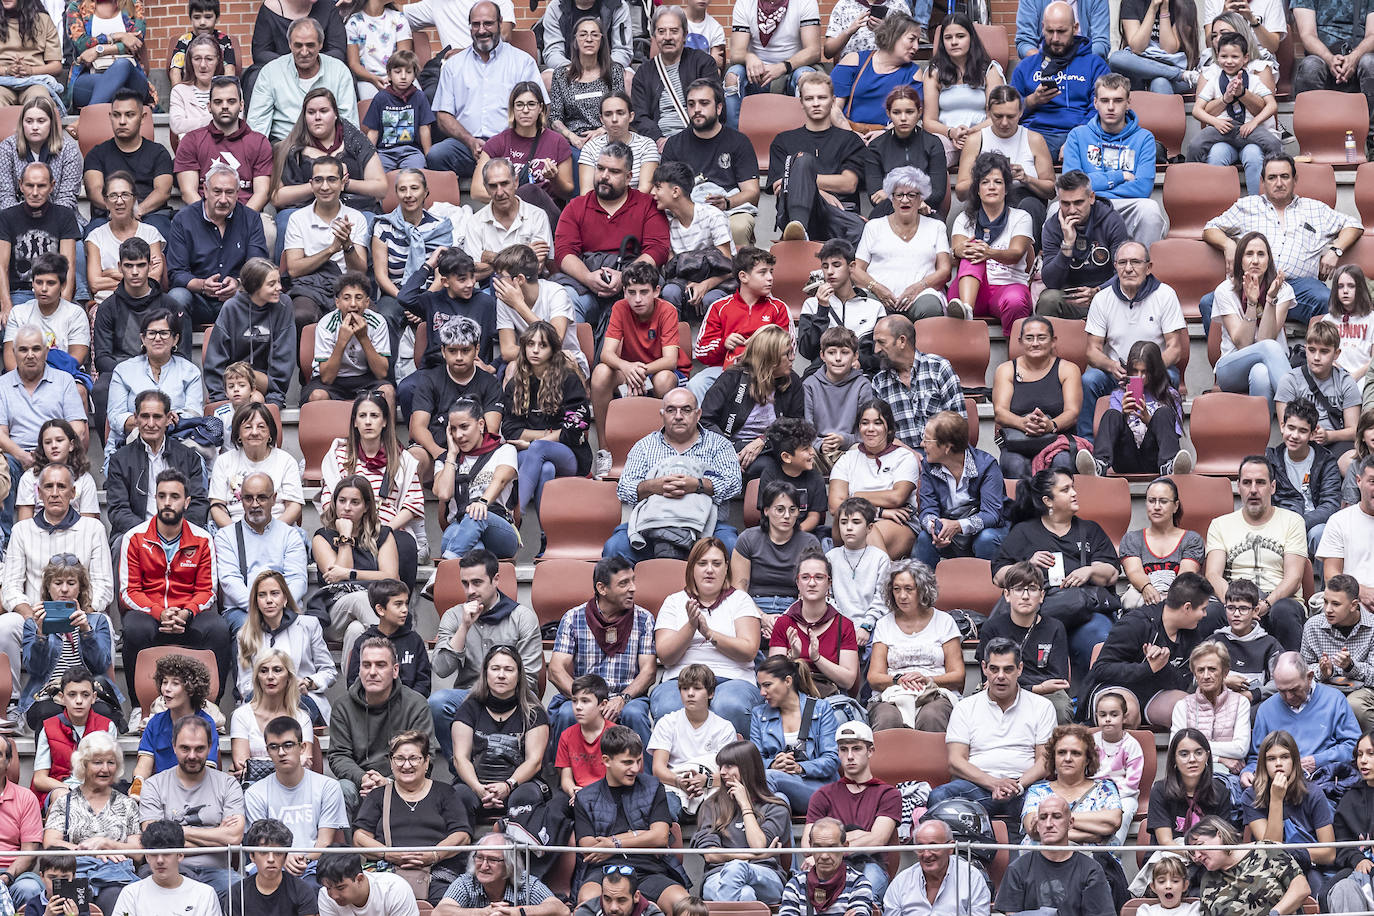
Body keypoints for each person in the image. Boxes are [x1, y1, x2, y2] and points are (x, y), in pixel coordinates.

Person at [1202, 155, 1363, 325]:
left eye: (1284, 177)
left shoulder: (1315, 208)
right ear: (1263, 181)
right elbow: (1210, 229)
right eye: (1272, 178)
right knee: (1209, 303)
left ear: (1295, 179)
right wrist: (1228, 244)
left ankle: (1316, 350)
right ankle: (1233, 351)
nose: (1279, 183)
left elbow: (1354, 225)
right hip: (1254, 284)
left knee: (1325, 299)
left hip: (1299, 288)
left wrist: (1335, 250)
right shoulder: (1247, 206)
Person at [993, 469, 1121, 673]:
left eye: (1073, 487)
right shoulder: (1024, 532)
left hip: (1084, 614)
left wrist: (1088, 571)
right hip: (1039, 613)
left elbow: (1111, 573)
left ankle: (1093, 697)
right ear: (1048, 501)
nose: (1074, 493)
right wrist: (1027, 565)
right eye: (1065, 489)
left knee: (1100, 635)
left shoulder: (1089, 530)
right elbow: (999, 576)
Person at [118, 469, 231, 696]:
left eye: (175, 497)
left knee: (219, 629)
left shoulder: (202, 539)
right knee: (133, 629)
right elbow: (129, 591)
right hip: (151, 615)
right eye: (162, 496)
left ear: (187, 502)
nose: (167, 503)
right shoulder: (135, 537)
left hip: (189, 615)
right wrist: (160, 612)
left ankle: (211, 705)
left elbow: (207, 590)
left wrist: (187, 612)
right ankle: (139, 707)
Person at [0, 465, 110, 693]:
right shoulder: (22, 530)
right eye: (48, 487)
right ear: (38, 493)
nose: (54, 492)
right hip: (33, 615)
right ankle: (12, 700)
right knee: (5, 626)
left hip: (80, 611)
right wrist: (32, 617)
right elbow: (10, 586)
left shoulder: (93, 528)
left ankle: (98, 695)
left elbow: (104, 585)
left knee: (104, 623)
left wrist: (83, 613)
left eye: (61, 486)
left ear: (73, 492)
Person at [603, 387, 743, 562]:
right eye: (671, 410)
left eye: (686, 410)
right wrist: (653, 486)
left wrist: (698, 485)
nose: (678, 416)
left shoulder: (719, 445)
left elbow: (734, 483)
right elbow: (624, 488)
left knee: (730, 545)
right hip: (651, 524)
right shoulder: (644, 446)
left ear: (698, 414)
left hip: (706, 526)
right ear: (662, 415)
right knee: (615, 547)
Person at [452, 646, 567, 855]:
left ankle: (519, 862)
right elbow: (460, 758)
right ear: (486, 672)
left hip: (519, 783)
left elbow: (534, 761)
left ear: (519, 675)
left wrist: (508, 785)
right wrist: (478, 788)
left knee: (526, 796)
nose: (502, 675)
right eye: (495, 669)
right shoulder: (469, 708)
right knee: (458, 795)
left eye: (509, 669)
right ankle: (460, 861)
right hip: (476, 783)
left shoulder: (533, 712)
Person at [926, 638, 1055, 820]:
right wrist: (994, 784)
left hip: (1025, 786)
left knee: (1050, 803)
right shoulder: (965, 707)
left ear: (1020, 669)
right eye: (994, 669)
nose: (1000, 676)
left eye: (1008, 669)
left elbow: (1045, 762)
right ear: (984, 667)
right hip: (977, 785)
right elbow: (955, 761)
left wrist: (1017, 786)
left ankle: (1028, 849)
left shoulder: (1042, 706)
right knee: (939, 797)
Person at [651, 537, 762, 736]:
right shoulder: (674, 602)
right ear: (692, 568)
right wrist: (691, 627)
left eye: (716, 564)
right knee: (669, 706)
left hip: (732, 678)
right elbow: (666, 655)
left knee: (730, 705)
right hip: (681, 679)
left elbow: (748, 651)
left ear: (726, 568)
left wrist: (709, 634)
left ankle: (735, 765)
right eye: (702, 563)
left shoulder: (740, 600)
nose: (709, 570)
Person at [572, 725, 690, 911]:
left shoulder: (653, 787)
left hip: (648, 869)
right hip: (604, 872)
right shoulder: (585, 797)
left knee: (683, 903)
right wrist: (640, 836)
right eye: (627, 762)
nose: (635, 768)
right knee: (588, 900)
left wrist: (614, 843)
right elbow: (590, 850)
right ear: (606, 760)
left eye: (638, 761)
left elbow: (660, 837)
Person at [553, 142, 670, 329]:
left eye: (614, 172)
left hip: (633, 281)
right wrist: (588, 278)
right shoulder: (576, 206)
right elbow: (563, 252)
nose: (604, 177)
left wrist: (625, 276)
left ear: (628, 177)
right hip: (587, 282)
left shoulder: (647, 205)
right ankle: (574, 358)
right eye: (600, 169)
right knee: (566, 297)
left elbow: (658, 250)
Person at [1078, 572, 1212, 727]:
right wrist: (1147, 668)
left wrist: (1162, 666)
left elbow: (1183, 683)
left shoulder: (1192, 634)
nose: (1205, 614)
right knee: (1127, 712)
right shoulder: (1136, 623)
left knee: (1189, 708)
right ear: (1187, 607)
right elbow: (1101, 669)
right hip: (1114, 687)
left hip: (1153, 694)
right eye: (1203, 609)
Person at [1204, 456, 1310, 651]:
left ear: (1273, 487)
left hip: (1278, 600)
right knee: (1209, 612)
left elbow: (1294, 578)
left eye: (1260, 482)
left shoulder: (1292, 521)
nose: (1253, 489)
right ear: (1238, 487)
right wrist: (1236, 605)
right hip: (1234, 598)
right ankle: (1206, 676)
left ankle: (1290, 675)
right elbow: (1212, 574)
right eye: (1247, 482)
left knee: (1284, 611)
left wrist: (1265, 604)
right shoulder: (1220, 524)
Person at [548, 556, 655, 747]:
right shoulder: (574, 618)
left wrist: (623, 698)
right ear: (602, 588)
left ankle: (646, 777)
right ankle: (559, 776)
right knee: (566, 713)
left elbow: (648, 671)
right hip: (585, 695)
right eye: (624, 583)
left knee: (634, 715)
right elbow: (556, 670)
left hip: (627, 698)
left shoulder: (643, 618)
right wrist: (586, 700)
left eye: (633, 580)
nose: (633, 588)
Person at [353, 730, 471, 904]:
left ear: (426, 762)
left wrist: (433, 855)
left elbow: (462, 835)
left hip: (438, 872)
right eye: (399, 758)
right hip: (387, 872)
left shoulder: (445, 793)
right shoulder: (378, 795)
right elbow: (359, 838)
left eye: (414, 758)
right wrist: (390, 855)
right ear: (391, 763)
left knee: (446, 904)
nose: (406, 765)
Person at [427, 2, 542, 180]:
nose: (481, 30)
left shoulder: (522, 62)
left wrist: (505, 142)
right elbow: (443, 115)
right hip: (467, 147)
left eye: (488, 23)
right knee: (436, 155)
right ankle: (450, 207)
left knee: (532, 161)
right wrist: (469, 141)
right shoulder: (454, 66)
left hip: (510, 146)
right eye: (475, 24)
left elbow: (540, 108)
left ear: (500, 23)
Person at [589, 261, 687, 467]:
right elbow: (607, 354)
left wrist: (638, 371)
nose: (638, 299)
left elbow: (670, 361)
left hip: (658, 369)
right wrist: (627, 368)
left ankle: (664, 449)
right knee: (600, 373)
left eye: (644, 292)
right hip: (630, 368)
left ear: (657, 291)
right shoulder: (620, 307)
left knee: (664, 379)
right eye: (631, 292)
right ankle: (604, 450)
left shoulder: (667, 310)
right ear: (624, 292)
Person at [327, 637, 435, 817]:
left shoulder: (416, 704)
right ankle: (348, 846)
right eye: (366, 665)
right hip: (359, 784)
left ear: (395, 670)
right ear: (359, 669)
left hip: (403, 780)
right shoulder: (342, 706)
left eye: (380, 665)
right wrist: (363, 779)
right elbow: (339, 755)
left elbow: (425, 756)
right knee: (340, 790)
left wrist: (389, 782)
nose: (372, 672)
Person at [137, 716, 243, 895]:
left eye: (200, 748)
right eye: (185, 748)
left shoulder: (228, 784)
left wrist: (174, 832)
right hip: (169, 870)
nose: (192, 756)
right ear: (174, 746)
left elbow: (233, 837)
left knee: (241, 890)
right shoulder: (154, 785)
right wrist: (217, 835)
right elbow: (154, 838)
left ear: (210, 747)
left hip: (218, 873)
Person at [40, 731, 139, 915]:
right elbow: (51, 843)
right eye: (97, 762)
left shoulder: (127, 804)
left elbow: (139, 851)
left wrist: (107, 844)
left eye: (110, 762)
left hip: (115, 879)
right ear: (83, 765)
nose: (105, 768)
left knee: (116, 897)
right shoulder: (65, 802)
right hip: (74, 877)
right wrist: (91, 851)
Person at [1062, 75, 1168, 243]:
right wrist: (1119, 176)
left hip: (1125, 205)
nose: (1111, 107)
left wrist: (1091, 187)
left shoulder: (1144, 138)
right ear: (1095, 103)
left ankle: (1144, 268)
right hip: (1088, 205)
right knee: (1055, 210)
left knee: (1150, 209)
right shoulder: (1077, 135)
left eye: (1118, 100)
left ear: (1128, 103)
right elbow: (1071, 185)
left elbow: (1143, 188)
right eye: (1105, 100)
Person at [660, 78, 762, 252]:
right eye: (691, 104)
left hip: (729, 210)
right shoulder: (674, 144)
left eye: (704, 103)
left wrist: (727, 202)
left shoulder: (739, 142)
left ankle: (737, 275)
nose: (697, 109)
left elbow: (752, 192)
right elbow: (665, 191)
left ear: (719, 107)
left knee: (738, 226)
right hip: (687, 211)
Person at [502, 321, 593, 515]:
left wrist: (535, 441)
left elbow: (573, 429)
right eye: (530, 344)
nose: (535, 350)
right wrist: (545, 437)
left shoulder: (568, 380)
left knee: (538, 448)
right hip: (528, 454)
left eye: (542, 345)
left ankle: (513, 515)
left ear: (553, 350)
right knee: (546, 470)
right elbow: (510, 430)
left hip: (569, 454)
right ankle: (547, 537)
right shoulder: (516, 384)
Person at [767, 73, 866, 247]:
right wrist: (818, 193)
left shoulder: (851, 140)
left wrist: (802, 182)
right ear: (801, 103)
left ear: (833, 100)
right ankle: (800, 229)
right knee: (803, 160)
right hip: (793, 214)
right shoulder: (783, 141)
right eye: (809, 98)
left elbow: (848, 184)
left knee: (859, 227)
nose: (816, 103)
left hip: (838, 214)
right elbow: (778, 187)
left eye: (822, 97)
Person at [166, 163, 270, 328]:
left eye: (229, 193)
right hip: (197, 298)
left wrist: (238, 283)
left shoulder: (250, 219)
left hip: (237, 297)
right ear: (205, 190)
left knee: (263, 295)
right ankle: (181, 354)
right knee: (176, 297)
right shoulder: (183, 220)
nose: (223, 200)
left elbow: (258, 266)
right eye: (217, 192)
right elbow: (176, 273)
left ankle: (247, 353)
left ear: (238, 193)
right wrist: (202, 285)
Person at [804, 722, 901, 898]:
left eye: (856, 749)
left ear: (870, 751)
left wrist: (830, 845)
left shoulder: (888, 793)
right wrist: (858, 835)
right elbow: (807, 844)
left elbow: (877, 840)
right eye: (843, 749)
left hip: (870, 865)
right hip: (828, 867)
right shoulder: (823, 795)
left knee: (867, 883)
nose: (849, 756)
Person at [104, 389, 210, 550]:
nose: (151, 424)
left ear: (168, 419)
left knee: (203, 541)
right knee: (120, 545)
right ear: (136, 418)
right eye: (145, 416)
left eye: (157, 417)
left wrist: (174, 533)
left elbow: (198, 504)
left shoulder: (188, 457)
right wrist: (150, 533)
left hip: (180, 532)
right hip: (136, 533)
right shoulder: (120, 459)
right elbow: (118, 509)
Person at [866, 559, 964, 732]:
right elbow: (874, 677)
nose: (902, 596)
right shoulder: (884, 624)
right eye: (896, 589)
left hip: (935, 692)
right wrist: (898, 679)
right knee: (886, 718)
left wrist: (928, 680)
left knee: (932, 716)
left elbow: (958, 676)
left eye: (909, 589)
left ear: (923, 590)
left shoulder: (944, 622)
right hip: (893, 694)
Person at [690, 740, 791, 903]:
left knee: (736, 868)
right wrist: (753, 855)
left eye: (729, 766)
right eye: (721, 766)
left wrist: (745, 805)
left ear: (747, 768)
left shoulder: (776, 807)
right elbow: (710, 854)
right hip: (717, 876)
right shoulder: (712, 805)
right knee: (744, 894)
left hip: (764, 875)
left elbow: (758, 844)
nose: (722, 772)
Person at [1243, 651, 1361, 788]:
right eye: (1282, 691)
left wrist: (1318, 760)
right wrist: (1247, 772)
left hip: (1324, 782)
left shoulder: (1334, 700)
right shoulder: (1266, 709)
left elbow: (1354, 747)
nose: (1288, 697)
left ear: (1309, 677)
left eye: (1294, 690)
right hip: (1279, 785)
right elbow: (1257, 757)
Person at [311, 475, 401, 653]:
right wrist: (345, 536)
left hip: (372, 609)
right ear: (334, 503)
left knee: (356, 631)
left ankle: (356, 681)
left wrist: (351, 574)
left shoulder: (382, 535)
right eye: (342, 501)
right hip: (335, 614)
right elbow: (338, 581)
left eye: (354, 502)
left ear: (366, 506)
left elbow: (391, 577)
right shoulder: (322, 537)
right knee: (359, 598)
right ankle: (393, 653)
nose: (346, 508)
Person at [1241, 729, 1338, 894]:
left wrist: (1294, 852)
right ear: (1263, 764)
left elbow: (1329, 853)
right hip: (1269, 870)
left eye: (1285, 757)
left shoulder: (1313, 793)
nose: (1278, 763)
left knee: (1316, 888)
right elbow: (1272, 849)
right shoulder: (1251, 796)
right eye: (1271, 759)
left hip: (1310, 867)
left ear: (1294, 760)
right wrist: (1276, 799)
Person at [1010, 2, 1112, 157]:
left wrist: (1077, 138)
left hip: (1081, 135)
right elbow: (1007, 112)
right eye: (1050, 31)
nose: (1055, 38)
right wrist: (1031, 101)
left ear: (1075, 28)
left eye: (1061, 31)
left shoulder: (1094, 65)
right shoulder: (1026, 67)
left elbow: (1100, 110)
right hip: (1035, 136)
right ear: (1043, 27)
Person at [688, 246, 790, 400]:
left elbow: (789, 351)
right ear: (743, 276)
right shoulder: (719, 307)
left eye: (771, 272)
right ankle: (706, 425)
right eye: (763, 272)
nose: (770, 277)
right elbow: (702, 352)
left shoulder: (779, 308)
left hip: (766, 372)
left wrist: (760, 347)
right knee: (697, 384)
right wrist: (724, 344)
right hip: (725, 370)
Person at [1079, 339, 1193, 476]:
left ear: (1155, 370)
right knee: (1112, 415)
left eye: (1145, 372)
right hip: (1126, 458)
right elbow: (1117, 432)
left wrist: (1149, 420)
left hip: (1155, 459)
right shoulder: (1119, 395)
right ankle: (1099, 464)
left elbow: (1173, 436)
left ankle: (1169, 465)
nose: (1140, 377)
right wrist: (1124, 415)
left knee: (1164, 413)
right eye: (1135, 371)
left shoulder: (1170, 396)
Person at [978, 561, 1074, 723]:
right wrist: (1036, 687)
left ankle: (1058, 748)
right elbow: (989, 676)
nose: (1025, 595)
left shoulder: (1055, 627)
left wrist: (1036, 689)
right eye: (1018, 589)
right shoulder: (992, 627)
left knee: (1060, 708)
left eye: (1032, 589)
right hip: (1001, 689)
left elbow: (1058, 678)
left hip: (1048, 694)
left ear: (1042, 595)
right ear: (1007, 595)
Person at [1187, 32, 1282, 195]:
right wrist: (1215, 121)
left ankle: (1271, 192)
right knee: (1194, 146)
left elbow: (1272, 105)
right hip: (1223, 128)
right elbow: (1197, 110)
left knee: (1273, 144)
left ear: (1245, 58)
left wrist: (1254, 122)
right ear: (1217, 56)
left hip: (1248, 129)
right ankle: (1191, 188)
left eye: (1235, 56)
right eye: (1224, 56)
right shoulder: (1214, 81)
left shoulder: (1253, 80)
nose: (1229, 61)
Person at [949, 152, 1034, 332]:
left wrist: (989, 253)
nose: (992, 187)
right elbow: (956, 253)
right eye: (985, 182)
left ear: (1006, 188)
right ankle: (966, 311)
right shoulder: (964, 218)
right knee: (971, 250)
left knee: (1015, 301)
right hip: (970, 291)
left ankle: (1017, 353)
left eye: (998, 182)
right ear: (978, 190)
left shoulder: (1021, 217)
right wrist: (958, 251)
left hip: (1008, 287)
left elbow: (1016, 253)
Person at [235, 568, 334, 722]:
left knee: (298, 710)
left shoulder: (308, 625)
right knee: (248, 709)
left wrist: (308, 682)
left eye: (274, 593)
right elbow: (245, 684)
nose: (269, 600)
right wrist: (270, 689)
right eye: (262, 595)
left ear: (285, 598)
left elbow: (328, 671)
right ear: (256, 601)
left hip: (301, 698)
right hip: (262, 700)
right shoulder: (245, 634)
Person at [172, 75, 274, 223]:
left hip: (246, 216)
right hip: (202, 216)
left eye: (231, 101)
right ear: (209, 106)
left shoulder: (259, 142)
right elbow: (188, 192)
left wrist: (238, 222)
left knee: (269, 230)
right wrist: (210, 219)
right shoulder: (191, 140)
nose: (225, 106)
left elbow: (262, 193)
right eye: (218, 102)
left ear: (241, 105)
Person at [991, 315, 1083, 479]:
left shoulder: (1068, 369)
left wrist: (1051, 425)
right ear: (1020, 342)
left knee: (1062, 463)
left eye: (1041, 337)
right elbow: (1000, 412)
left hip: (1057, 439)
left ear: (1053, 341)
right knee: (1013, 465)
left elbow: (1072, 412)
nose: (1035, 343)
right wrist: (1023, 423)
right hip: (1017, 440)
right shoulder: (1005, 370)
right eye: (1029, 338)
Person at [826, 399, 920, 559]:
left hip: (899, 523)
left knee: (867, 533)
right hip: (855, 519)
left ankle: (876, 580)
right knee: (855, 527)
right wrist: (880, 511)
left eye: (877, 423)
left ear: (888, 428)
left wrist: (856, 496)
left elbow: (896, 497)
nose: (870, 429)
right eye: (864, 423)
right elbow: (835, 507)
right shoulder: (847, 459)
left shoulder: (904, 457)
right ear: (859, 428)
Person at [217, 475, 310, 637]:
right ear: (241, 500)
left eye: (261, 497)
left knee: (303, 628)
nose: (254, 504)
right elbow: (230, 580)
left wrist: (276, 607)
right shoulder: (226, 536)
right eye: (248, 498)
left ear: (274, 499)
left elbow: (297, 580)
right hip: (242, 610)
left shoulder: (290, 535)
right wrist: (260, 607)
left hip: (284, 608)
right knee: (246, 629)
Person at [1211, 230, 1296, 406]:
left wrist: (1271, 299)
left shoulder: (1283, 289)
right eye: (1249, 254)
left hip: (1271, 365)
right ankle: (1298, 407)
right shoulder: (1224, 290)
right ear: (1240, 259)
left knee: (1261, 374)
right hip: (1232, 366)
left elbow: (1265, 338)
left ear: (1269, 260)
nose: (1255, 261)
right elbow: (1243, 344)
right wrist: (1251, 303)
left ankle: (1266, 432)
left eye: (1261, 254)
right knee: (1269, 348)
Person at [103, 307, 201, 460]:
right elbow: (116, 417)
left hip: (180, 444)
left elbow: (194, 414)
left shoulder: (190, 371)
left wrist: (154, 423)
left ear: (175, 339)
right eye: (152, 333)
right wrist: (156, 422)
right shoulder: (123, 371)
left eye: (164, 333)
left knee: (196, 465)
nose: (157, 338)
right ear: (143, 338)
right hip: (128, 446)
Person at [700, 325, 805, 468]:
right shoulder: (732, 378)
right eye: (787, 354)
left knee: (769, 465)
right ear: (770, 358)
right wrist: (726, 452)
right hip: (730, 445)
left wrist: (764, 440)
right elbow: (705, 420)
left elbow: (796, 425)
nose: (792, 358)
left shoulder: (792, 381)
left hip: (771, 447)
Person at [995, 796, 1115, 916]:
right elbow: (1011, 914)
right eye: (1043, 818)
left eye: (1056, 817)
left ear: (1070, 823)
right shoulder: (1018, 868)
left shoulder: (1090, 870)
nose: (1048, 824)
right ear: (1037, 825)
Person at [750, 654, 839, 814]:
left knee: (770, 777)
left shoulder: (820, 709)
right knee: (779, 802)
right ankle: (777, 840)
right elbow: (754, 761)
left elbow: (832, 760)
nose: (762, 692)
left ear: (788, 681)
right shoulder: (759, 714)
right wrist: (773, 764)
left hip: (819, 789)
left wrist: (799, 767)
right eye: (760, 686)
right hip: (779, 787)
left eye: (767, 685)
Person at [1036, 170, 1130, 319]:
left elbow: (1124, 271)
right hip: (1071, 296)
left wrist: (1098, 291)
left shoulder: (1111, 221)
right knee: (1048, 299)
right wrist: (1067, 244)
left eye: (1078, 202)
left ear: (1091, 197)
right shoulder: (1053, 226)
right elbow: (1051, 281)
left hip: (1107, 294)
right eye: (1065, 203)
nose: (1072, 210)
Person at [246, 19, 356, 144]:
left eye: (310, 45)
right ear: (289, 44)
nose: (304, 52)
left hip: (330, 147)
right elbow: (258, 124)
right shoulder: (270, 72)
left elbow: (349, 123)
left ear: (320, 44)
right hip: (285, 146)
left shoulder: (339, 71)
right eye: (298, 45)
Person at [473, 82, 575, 216]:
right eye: (519, 105)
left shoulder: (557, 142)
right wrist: (513, 199)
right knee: (527, 192)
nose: (525, 110)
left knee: (532, 191)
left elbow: (568, 191)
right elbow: (476, 190)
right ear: (512, 109)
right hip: (508, 214)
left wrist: (554, 179)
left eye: (531, 104)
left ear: (540, 108)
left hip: (545, 215)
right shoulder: (497, 143)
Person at [82, 92, 173, 238]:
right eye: (117, 115)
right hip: (107, 215)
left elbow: (163, 191)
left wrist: (137, 210)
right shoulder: (97, 153)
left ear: (142, 118)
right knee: (93, 232)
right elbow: (94, 191)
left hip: (150, 215)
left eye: (130, 115)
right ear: (110, 117)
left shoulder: (158, 152)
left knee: (162, 231)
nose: (122, 121)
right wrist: (117, 210)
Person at [1019, 723, 1124, 849]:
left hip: (1094, 865)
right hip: (1043, 865)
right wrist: (1089, 836)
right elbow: (1034, 829)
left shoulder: (1104, 788)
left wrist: (1052, 822)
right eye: (1062, 752)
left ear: (1087, 759)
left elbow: (1112, 822)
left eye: (1076, 753)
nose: (1068, 758)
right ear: (1053, 757)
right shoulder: (1037, 791)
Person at [1292, 0, 1374, 157]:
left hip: (1360, 56)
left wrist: (1354, 57)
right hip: (1322, 56)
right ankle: (1311, 144)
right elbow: (1307, 34)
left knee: (1371, 63)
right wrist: (1329, 59)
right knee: (1310, 67)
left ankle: (1373, 142)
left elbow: (1372, 34)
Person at [722, 0, 821, 129]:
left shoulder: (805, 2)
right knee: (732, 77)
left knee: (807, 78)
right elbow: (736, 53)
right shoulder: (744, 3)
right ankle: (732, 142)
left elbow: (814, 51)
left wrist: (783, 66)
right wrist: (749, 56)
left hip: (791, 71)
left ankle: (806, 141)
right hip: (757, 75)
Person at [493, 244, 589, 376]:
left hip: (564, 359)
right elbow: (507, 351)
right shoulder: (504, 300)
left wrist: (518, 305)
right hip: (530, 358)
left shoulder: (556, 293)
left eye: (501, 277)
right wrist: (534, 355)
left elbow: (555, 340)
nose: (496, 283)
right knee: (512, 368)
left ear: (520, 279)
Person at [1187, 816, 1312, 914]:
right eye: (1192, 853)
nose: (1196, 856)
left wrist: (1275, 913)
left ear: (1219, 835)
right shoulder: (1208, 880)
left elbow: (1301, 889)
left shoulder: (1265, 850)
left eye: (1199, 846)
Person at [923, 14, 1005, 161]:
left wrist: (971, 132)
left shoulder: (990, 70)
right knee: (932, 154)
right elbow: (929, 121)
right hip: (946, 138)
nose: (954, 42)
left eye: (960, 36)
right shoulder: (933, 72)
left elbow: (996, 116)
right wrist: (952, 132)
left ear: (971, 38)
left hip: (982, 135)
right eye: (948, 38)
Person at [210, 402, 305, 529]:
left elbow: (294, 507)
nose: (254, 432)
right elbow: (217, 507)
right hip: (234, 529)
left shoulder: (286, 461)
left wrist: (271, 532)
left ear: (270, 433)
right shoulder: (223, 461)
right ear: (238, 433)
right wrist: (237, 534)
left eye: (261, 427)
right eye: (248, 427)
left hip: (279, 529)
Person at [734, 482, 822, 617]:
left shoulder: (809, 543)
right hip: (753, 605)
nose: (787, 515)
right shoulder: (748, 539)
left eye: (792, 510)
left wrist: (785, 619)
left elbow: (811, 588)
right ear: (766, 510)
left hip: (794, 607)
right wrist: (762, 617)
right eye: (780, 509)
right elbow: (739, 589)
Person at [1277, 321, 1362, 460]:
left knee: (1352, 464)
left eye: (1324, 351)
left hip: (1336, 442)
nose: (1316, 357)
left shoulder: (1346, 382)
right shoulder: (1290, 380)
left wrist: (1328, 436)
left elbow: (1354, 431)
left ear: (1336, 353)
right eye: (1311, 350)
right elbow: (1285, 428)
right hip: (1300, 442)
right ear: (1305, 349)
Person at [1268, 398, 1343, 556]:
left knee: (1321, 533)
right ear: (1282, 426)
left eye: (1302, 431)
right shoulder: (1271, 459)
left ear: (1313, 434)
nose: (1294, 436)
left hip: (1312, 526)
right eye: (1291, 428)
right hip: (1281, 527)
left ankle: (1330, 582)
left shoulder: (1325, 461)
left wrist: (1299, 523)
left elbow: (1330, 505)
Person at [1170, 641, 1252, 783]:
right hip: (1188, 778)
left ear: (1225, 672)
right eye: (1201, 670)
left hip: (1226, 778)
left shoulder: (1240, 703)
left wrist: (1193, 747)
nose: (1206, 676)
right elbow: (1175, 748)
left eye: (1212, 669)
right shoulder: (1183, 706)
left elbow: (1240, 749)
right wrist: (1219, 759)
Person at [0, 164, 78, 313]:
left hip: (53, 291)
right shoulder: (7, 217)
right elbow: (1, 267)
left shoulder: (65, 216)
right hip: (19, 293)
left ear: (52, 186)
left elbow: (69, 266)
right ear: (21, 185)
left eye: (41, 186)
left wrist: (65, 308)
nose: (35, 192)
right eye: (30, 185)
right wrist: (5, 305)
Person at [830, 13, 924, 136]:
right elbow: (833, 108)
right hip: (847, 134)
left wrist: (883, 135)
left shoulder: (913, 73)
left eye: (918, 41)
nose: (916, 47)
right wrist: (851, 136)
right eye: (912, 39)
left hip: (890, 139)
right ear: (893, 36)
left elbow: (911, 115)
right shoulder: (855, 61)